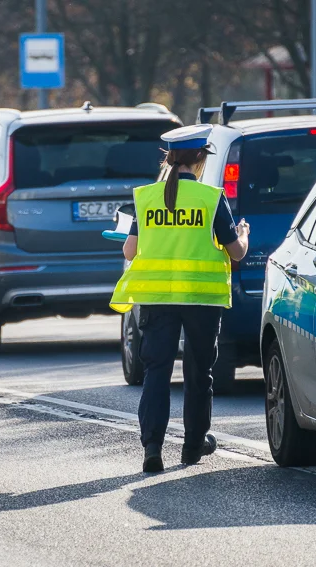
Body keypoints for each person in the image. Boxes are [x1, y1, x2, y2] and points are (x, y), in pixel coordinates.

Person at [109, 124, 250, 473]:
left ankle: (152, 448)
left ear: (170, 158)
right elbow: (235, 253)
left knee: (157, 370)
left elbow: (130, 249)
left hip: (157, 297)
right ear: (200, 159)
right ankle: (192, 445)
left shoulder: (146, 197)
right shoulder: (211, 198)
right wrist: (243, 235)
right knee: (198, 371)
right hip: (202, 298)